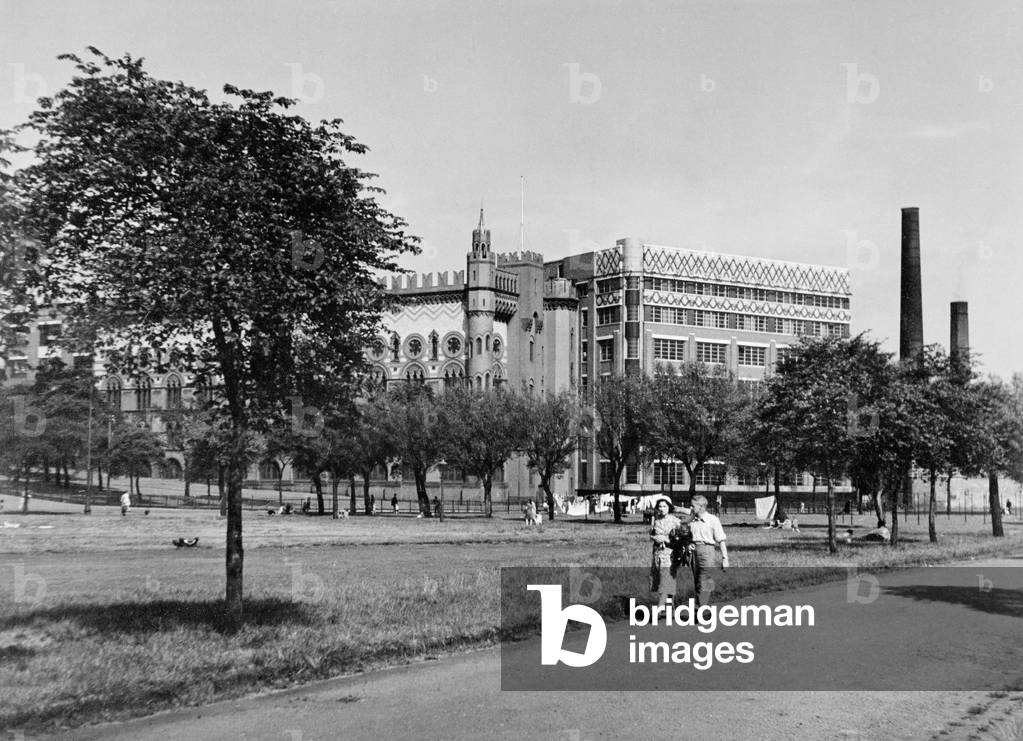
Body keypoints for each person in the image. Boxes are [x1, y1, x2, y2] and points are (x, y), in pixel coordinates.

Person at [687, 494, 728, 607]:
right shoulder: (691, 521)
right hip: (694, 553)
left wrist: (725, 558)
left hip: (708, 551)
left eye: (692, 506)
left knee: (705, 579)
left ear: (701, 507)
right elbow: (688, 537)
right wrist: (689, 544)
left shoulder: (713, 520)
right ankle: (703, 606)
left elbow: (721, 539)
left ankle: (701, 607)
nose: (690, 508)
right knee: (697, 581)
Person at [649, 497, 685, 607]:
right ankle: (671, 607)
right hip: (657, 553)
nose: (662, 508)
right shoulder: (655, 520)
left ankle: (659, 608)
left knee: (666, 580)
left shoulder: (675, 521)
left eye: (664, 506)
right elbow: (651, 534)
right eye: (659, 506)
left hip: (670, 554)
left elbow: (682, 537)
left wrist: (666, 539)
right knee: (664, 580)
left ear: (669, 507)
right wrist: (656, 538)